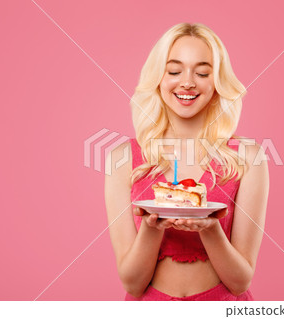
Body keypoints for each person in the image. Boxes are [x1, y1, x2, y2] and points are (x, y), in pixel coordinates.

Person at [104, 23, 269, 301]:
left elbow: (240, 281)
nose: (188, 82)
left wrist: (211, 229)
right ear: (158, 77)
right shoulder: (122, 159)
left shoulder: (248, 158)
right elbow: (132, 284)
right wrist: (151, 227)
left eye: (202, 72)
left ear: (216, 81)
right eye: (174, 71)